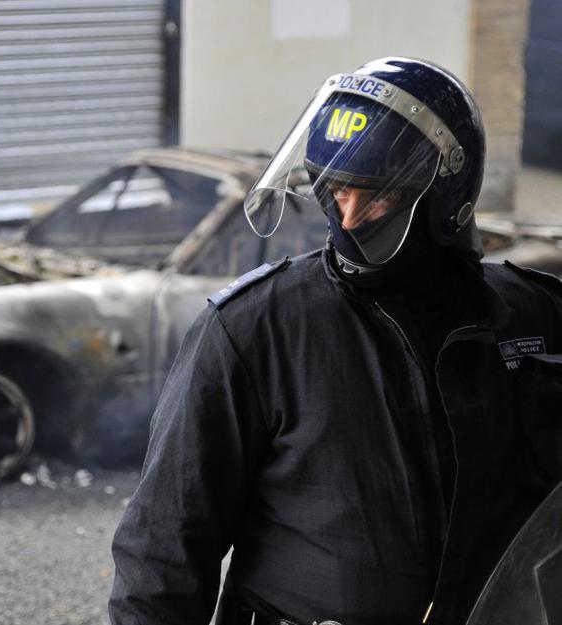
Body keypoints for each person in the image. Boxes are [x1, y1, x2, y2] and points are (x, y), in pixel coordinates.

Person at [109, 57, 562, 625]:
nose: (345, 219)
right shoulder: (254, 330)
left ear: (448, 196)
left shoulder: (534, 317)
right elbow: (163, 552)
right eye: (332, 190)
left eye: (375, 197)